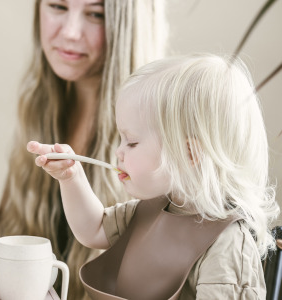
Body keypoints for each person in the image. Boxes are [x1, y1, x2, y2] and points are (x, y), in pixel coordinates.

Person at [0, 0, 167, 298]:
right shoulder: (40, 109)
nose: (70, 32)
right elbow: (5, 239)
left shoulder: (158, 131)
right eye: (57, 6)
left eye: (95, 14)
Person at [29, 53, 280, 298]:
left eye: (132, 142)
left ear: (189, 154)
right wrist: (71, 177)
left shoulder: (227, 245)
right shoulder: (153, 209)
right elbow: (93, 229)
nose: (119, 151)